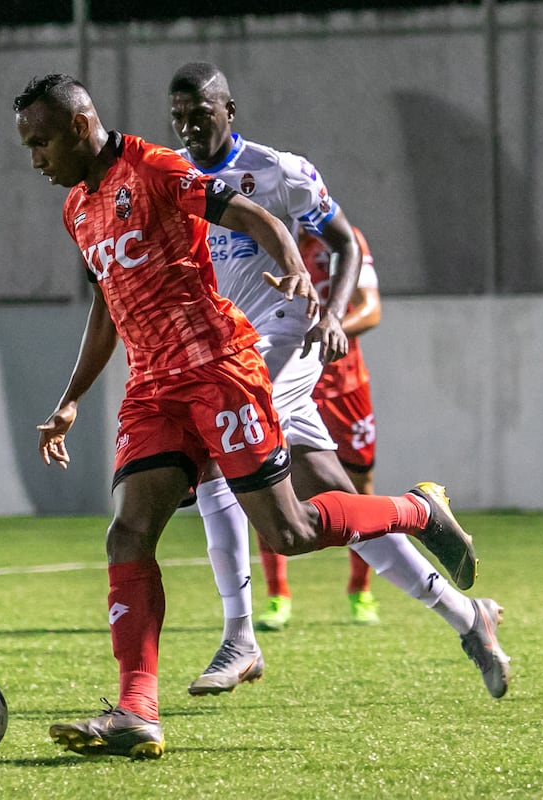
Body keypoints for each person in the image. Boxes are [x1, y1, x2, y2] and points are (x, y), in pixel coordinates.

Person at [15, 73, 478, 760]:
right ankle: (137, 711)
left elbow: (248, 214)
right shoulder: (77, 210)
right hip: (153, 390)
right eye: (29, 145)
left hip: (218, 370)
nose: (36, 159)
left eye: (42, 141)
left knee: (289, 532)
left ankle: (417, 510)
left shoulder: (156, 167)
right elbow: (106, 306)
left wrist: (293, 263)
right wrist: (72, 396)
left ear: (81, 127)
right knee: (127, 534)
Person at [167, 62, 509, 701]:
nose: (188, 124)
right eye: (178, 113)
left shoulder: (280, 172)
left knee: (218, 447)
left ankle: (240, 636)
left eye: (200, 112)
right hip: (229, 350)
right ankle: (470, 616)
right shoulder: (174, 178)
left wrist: (330, 309)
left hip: (286, 338)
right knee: (337, 499)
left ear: (229, 110)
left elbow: (346, 244)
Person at [255, 226, 385, 631]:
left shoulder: (346, 240)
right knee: (264, 481)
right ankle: (277, 598)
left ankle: (360, 591)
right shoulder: (266, 238)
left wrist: (327, 332)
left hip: (344, 384)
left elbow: (371, 309)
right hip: (285, 380)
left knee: (359, 486)